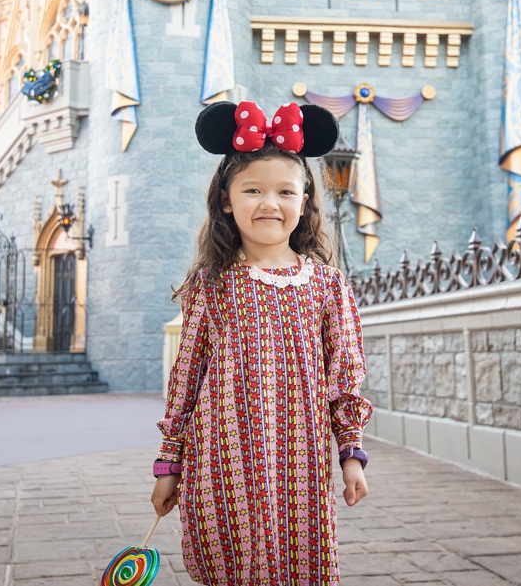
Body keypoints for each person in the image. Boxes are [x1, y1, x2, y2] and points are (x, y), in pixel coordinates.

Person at [150, 100, 373, 585]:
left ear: (305, 200)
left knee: (299, 566)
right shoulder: (212, 285)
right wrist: (170, 462)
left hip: (302, 465)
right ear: (227, 200)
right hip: (221, 460)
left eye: (285, 191)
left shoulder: (328, 285)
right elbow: (186, 378)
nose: (269, 203)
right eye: (252, 189)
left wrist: (350, 453)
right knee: (229, 565)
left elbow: (346, 375)